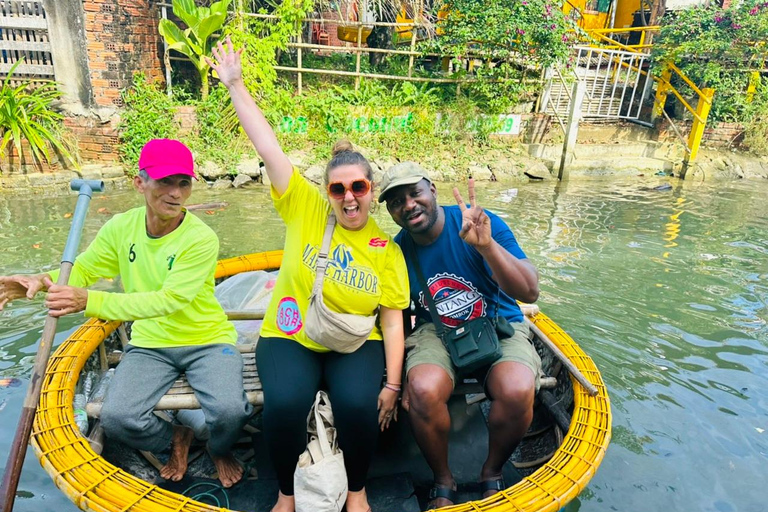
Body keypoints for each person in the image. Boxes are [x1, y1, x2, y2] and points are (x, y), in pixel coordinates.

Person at [207, 38, 409, 512]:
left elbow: (393, 320)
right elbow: (268, 145)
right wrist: (235, 85)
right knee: (283, 406)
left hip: (357, 340)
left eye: (358, 186)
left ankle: (357, 491)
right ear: (327, 191)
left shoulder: (385, 247)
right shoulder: (304, 205)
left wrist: (393, 384)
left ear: (370, 187)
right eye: (338, 188)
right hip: (291, 333)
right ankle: (286, 493)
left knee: (359, 407)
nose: (349, 197)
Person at [0, 139, 253, 488]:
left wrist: (89, 301)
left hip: (207, 340)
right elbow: (83, 271)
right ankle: (174, 439)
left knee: (230, 413)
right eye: (165, 181)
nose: (176, 193)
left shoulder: (201, 238)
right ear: (140, 183)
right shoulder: (121, 228)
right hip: (150, 345)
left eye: (184, 183)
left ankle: (220, 449)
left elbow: (169, 300)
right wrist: (41, 281)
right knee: (118, 418)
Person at [378, 162, 543, 508]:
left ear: (432, 191)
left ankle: (492, 470)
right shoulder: (396, 252)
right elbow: (397, 316)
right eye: (396, 202)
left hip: (497, 322)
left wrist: (486, 247)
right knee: (422, 389)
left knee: (518, 388)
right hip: (436, 333)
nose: (408, 205)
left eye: (414, 193)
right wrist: (406, 372)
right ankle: (443, 479)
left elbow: (529, 292)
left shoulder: (480, 223)